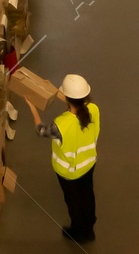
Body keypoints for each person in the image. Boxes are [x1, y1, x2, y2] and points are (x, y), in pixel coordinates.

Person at [27, 73, 99, 242]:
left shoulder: (62, 124)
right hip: (88, 164)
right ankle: (89, 228)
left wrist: (31, 106)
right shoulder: (93, 109)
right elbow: (75, 100)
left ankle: (78, 232)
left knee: (73, 202)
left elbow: (40, 130)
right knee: (88, 195)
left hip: (69, 172)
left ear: (67, 98)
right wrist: (51, 89)